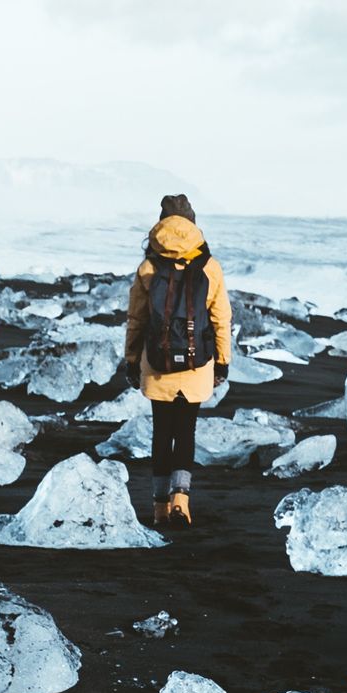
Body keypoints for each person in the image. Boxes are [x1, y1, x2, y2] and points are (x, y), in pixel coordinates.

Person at [121, 192, 231, 528]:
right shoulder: (209, 267)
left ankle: (158, 508)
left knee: (161, 432)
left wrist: (130, 360)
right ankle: (181, 500)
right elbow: (221, 318)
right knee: (186, 431)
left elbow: (136, 319)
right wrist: (222, 362)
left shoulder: (149, 266)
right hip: (197, 365)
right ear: (193, 222)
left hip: (157, 364)